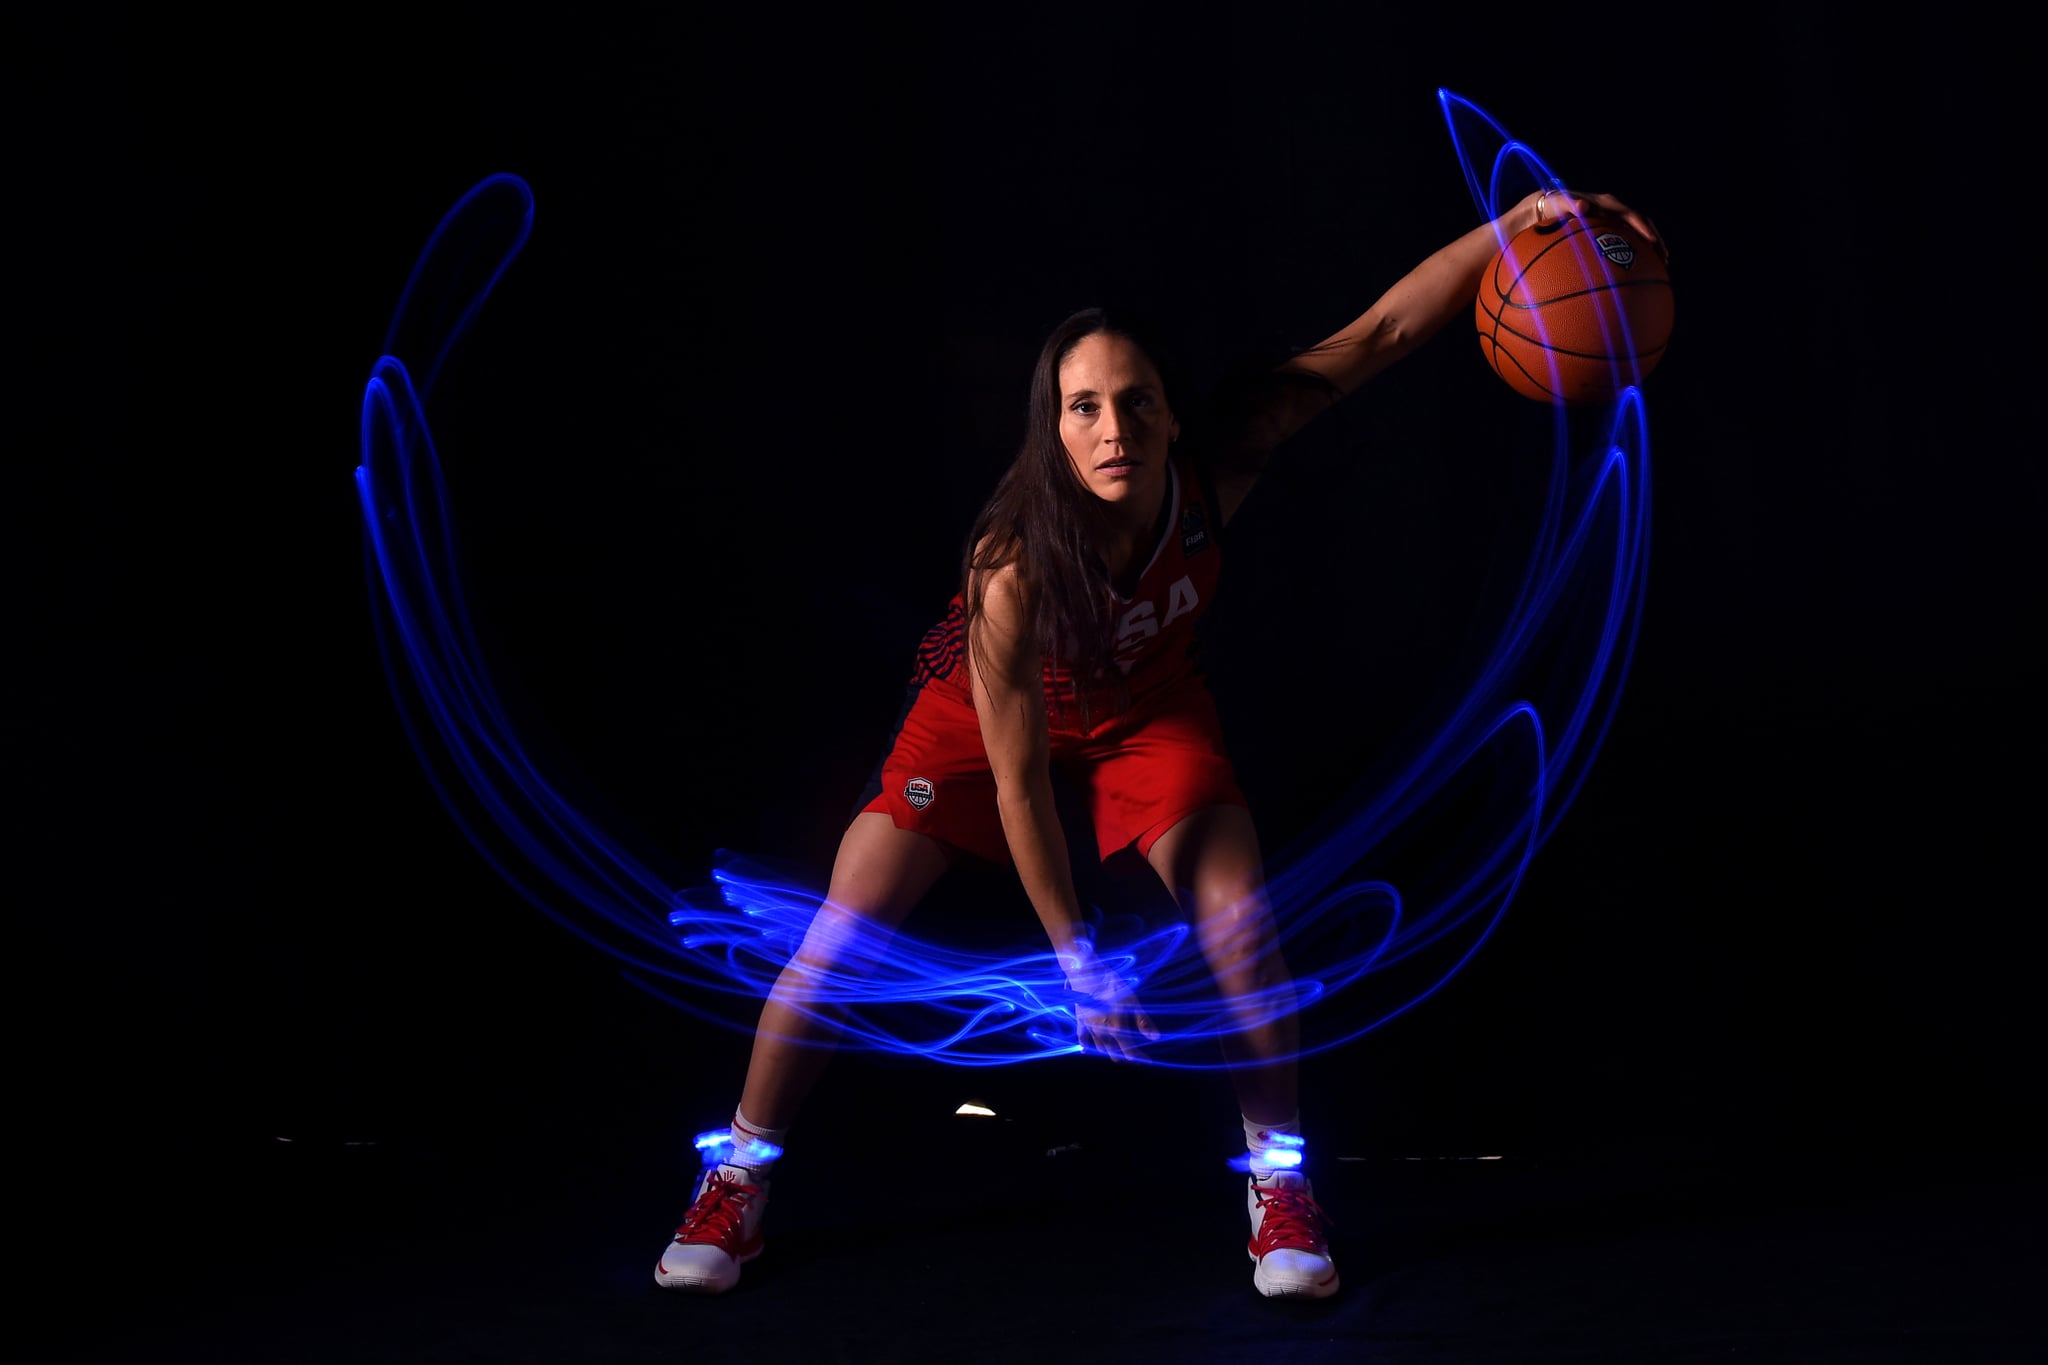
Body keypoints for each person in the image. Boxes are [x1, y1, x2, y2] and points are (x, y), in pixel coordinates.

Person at [655, 185, 1664, 1298]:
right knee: (838, 938)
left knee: (1239, 928)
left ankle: (1278, 1189)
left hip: (1146, 712)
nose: (1112, 430)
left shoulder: (1216, 468)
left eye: (1133, 403)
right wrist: (1078, 957)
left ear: (1172, 416)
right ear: (1051, 426)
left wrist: (1518, 224)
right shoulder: (1011, 564)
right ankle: (737, 1181)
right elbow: (1020, 786)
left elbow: (1379, 332)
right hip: (984, 733)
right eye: (1082, 408)